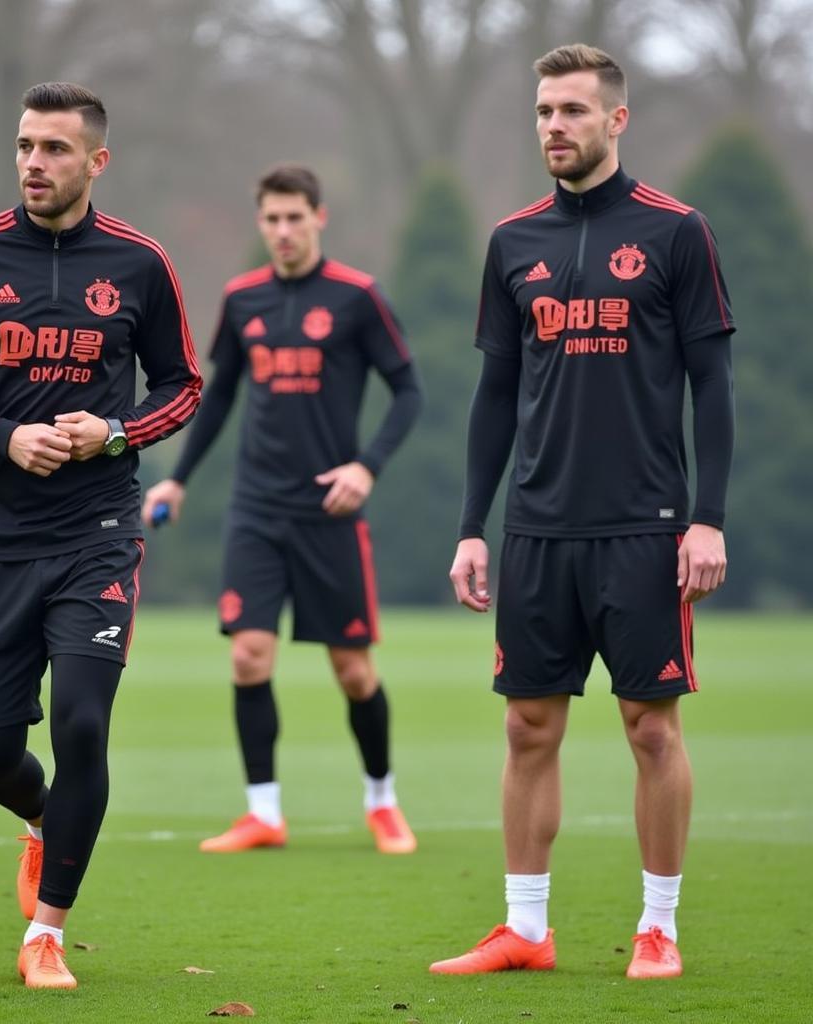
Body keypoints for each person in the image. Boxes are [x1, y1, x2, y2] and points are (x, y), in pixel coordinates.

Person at [429, 44, 734, 980]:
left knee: (651, 727)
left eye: (571, 110)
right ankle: (525, 928)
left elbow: (712, 385)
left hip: (644, 526)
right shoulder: (513, 241)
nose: (554, 126)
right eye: (543, 111)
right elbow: (494, 394)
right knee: (528, 728)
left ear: (616, 119)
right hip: (538, 529)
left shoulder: (677, 232)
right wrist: (475, 525)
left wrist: (707, 516)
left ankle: (659, 928)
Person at [0, 82, 202, 989]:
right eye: (26, 145)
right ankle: (41, 820)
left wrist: (115, 433)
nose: (34, 162)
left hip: (97, 534)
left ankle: (46, 935)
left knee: (82, 725)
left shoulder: (140, 263)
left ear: (96, 161)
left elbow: (182, 384)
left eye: (55, 149)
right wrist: (1, 434)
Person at [143, 165, 422, 855]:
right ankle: (263, 813)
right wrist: (176, 480)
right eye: (272, 219)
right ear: (260, 222)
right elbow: (221, 396)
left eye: (296, 217)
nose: (284, 230)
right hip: (256, 510)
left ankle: (382, 801)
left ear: (319, 217)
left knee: (353, 672)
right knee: (248, 658)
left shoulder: (357, 297)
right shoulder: (242, 300)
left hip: (329, 512)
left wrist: (367, 466)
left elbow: (408, 391)